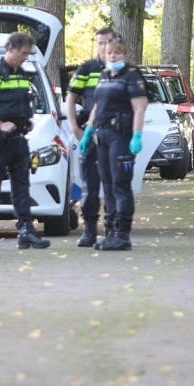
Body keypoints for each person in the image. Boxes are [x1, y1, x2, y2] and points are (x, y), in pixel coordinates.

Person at [0, 31, 50, 251]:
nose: (26, 57)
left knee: (22, 188)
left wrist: (27, 122)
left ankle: (26, 231)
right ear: (10, 48)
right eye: (23, 53)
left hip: (19, 141)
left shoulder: (22, 74)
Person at [76, 37, 148, 251]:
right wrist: (88, 130)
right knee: (107, 186)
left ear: (125, 55)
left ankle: (122, 234)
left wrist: (137, 135)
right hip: (102, 134)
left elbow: (140, 107)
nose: (113, 56)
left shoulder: (132, 76)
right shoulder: (105, 75)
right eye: (109, 53)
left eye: (117, 53)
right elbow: (98, 105)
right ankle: (110, 232)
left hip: (121, 135)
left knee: (120, 185)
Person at [64, 25, 115, 248]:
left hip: (114, 134)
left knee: (114, 185)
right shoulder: (86, 69)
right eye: (100, 43)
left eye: (107, 42)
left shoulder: (121, 69)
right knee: (89, 185)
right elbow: (71, 98)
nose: (103, 47)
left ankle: (112, 229)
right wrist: (75, 128)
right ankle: (90, 231)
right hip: (90, 133)